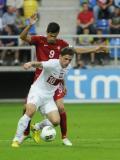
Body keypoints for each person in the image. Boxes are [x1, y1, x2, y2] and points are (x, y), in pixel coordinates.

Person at [20, 13, 106, 146]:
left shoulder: (62, 44)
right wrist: (30, 25)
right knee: (26, 108)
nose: (52, 38)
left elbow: (76, 50)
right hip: (40, 81)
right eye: (50, 35)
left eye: (54, 36)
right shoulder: (39, 40)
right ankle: (26, 133)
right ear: (47, 33)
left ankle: (64, 137)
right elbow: (23, 37)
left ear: (57, 34)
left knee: (60, 107)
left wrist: (95, 49)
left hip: (56, 81)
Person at [11, 47, 75, 148]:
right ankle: (16, 139)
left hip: (48, 97)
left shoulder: (68, 67)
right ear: (60, 57)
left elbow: (61, 76)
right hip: (37, 92)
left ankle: (37, 127)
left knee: (56, 121)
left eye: (70, 60)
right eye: (65, 59)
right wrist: (30, 64)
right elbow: (39, 64)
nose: (67, 62)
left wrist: (64, 86)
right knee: (30, 111)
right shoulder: (52, 63)